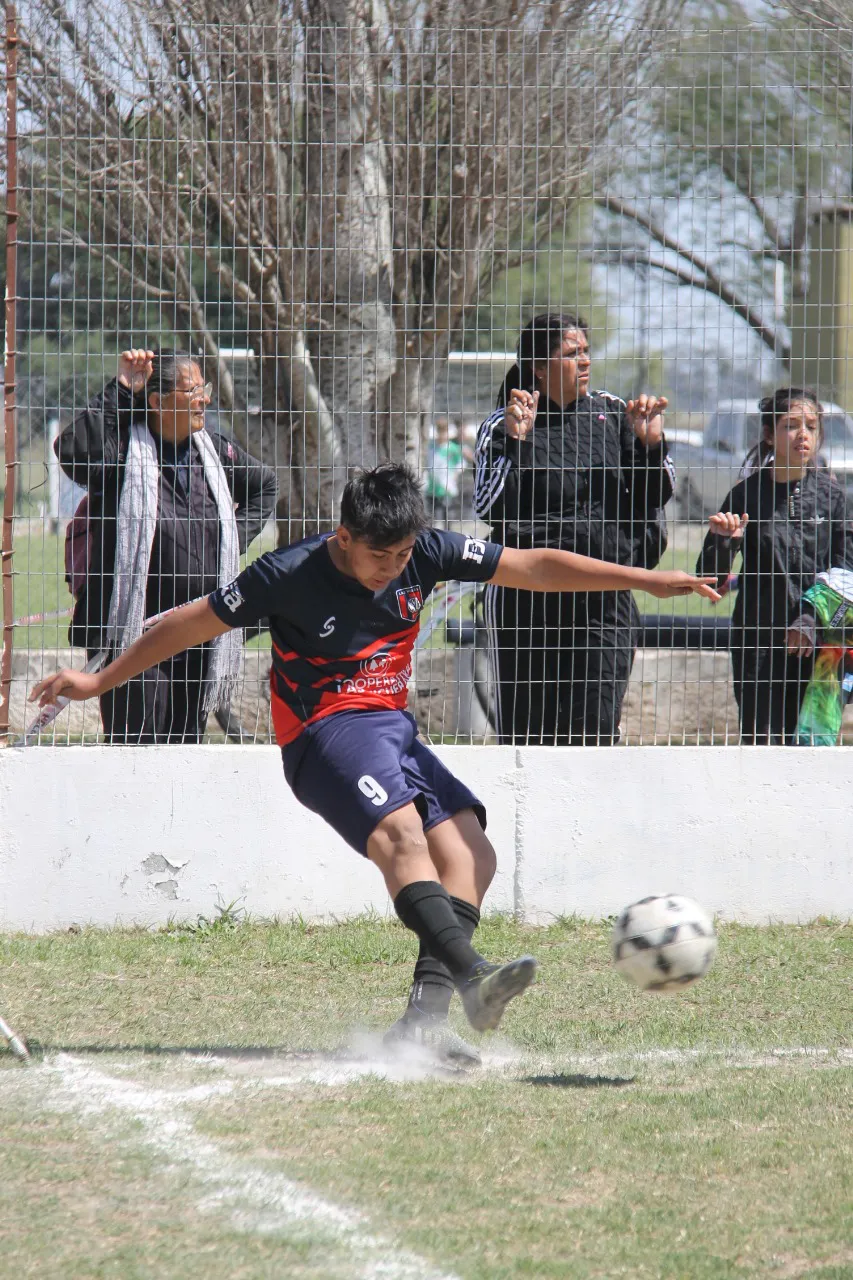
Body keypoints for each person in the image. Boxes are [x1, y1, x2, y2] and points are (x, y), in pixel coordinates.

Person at [31, 463, 719, 1065]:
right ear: (343, 539)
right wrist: (96, 683)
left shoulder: (424, 551)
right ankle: (474, 976)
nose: (395, 566)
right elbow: (185, 624)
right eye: (380, 555)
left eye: (404, 553)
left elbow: (531, 565)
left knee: (472, 857)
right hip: (323, 732)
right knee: (401, 837)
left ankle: (420, 1028)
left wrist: (647, 580)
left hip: (390, 730)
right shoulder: (287, 574)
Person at [473, 312, 676, 745]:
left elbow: (655, 497)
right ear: (538, 368)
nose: (584, 361)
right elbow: (489, 507)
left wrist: (649, 445)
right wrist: (516, 442)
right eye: (570, 353)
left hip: (602, 601)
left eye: (585, 351)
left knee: (595, 734)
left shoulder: (614, 414)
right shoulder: (503, 423)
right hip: (526, 602)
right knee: (528, 738)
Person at [56, 347, 277, 743]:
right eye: (193, 390)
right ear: (158, 401)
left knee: (185, 750)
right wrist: (123, 388)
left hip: (198, 631)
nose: (205, 398)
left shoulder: (214, 452)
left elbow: (265, 486)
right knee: (136, 749)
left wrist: (227, 542)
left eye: (204, 388)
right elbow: (74, 454)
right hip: (134, 636)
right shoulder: (123, 453)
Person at [696, 388, 853, 744]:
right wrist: (725, 541)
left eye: (811, 426)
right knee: (762, 745)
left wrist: (811, 618)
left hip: (823, 644)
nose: (803, 435)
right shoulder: (745, 495)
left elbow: (846, 572)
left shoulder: (833, 499)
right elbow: (710, 576)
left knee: (814, 748)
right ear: (769, 434)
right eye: (791, 425)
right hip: (760, 642)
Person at [425, 418, 465, 525]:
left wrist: (455, 475)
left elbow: (461, 464)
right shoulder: (431, 446)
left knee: (448, 517)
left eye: (444, 431)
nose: (442, 435)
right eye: (440, 431)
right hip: (432, 487)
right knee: (432, 518)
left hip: (447, 487)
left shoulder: (453, 448)